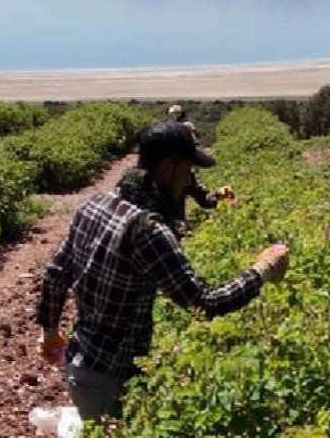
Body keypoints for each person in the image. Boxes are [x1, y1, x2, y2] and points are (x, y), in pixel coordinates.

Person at [36, 121, 289, 421]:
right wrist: (263, 269)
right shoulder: (147, 231)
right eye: (187, 170)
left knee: (93, 435)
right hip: (112, 377)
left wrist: (49, 332)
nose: (188, 180)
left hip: (80, 364)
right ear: (169, 167)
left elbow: (55, 275)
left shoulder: (94, 204)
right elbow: (205, 303)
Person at [167, 104, 235, 236]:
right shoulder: (182, 127)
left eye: (174, 114)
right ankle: (223, 192)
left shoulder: (182, 128)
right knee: (202, 200)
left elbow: (194, 145)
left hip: (181, 175)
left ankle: (181, 231)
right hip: (185, 173)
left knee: (182, 204)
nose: (172, 117)